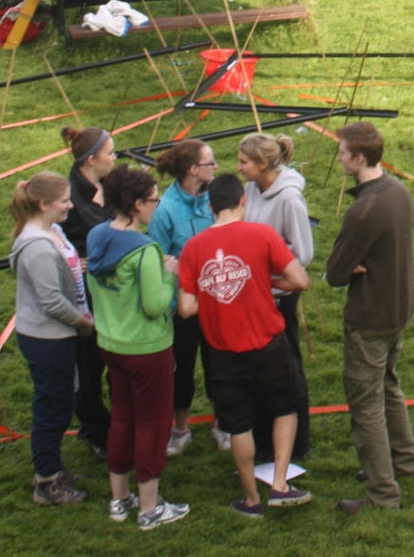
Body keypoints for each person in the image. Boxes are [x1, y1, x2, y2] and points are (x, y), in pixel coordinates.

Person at [177, 174, 313, 517]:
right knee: (285, 408)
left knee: (238, 425)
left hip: (223, 354)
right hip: (269, 345)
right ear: (243, 201)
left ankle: (251, 500)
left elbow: (186, 308)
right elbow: (300, 280)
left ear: (210, 206)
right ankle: (280, 484)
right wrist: (263, 282)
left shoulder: (193, 248)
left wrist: (214, 291)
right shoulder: (262, 234)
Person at [324, 122, 414, 515]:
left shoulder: (362, 211)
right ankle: (405, 462)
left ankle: (383, 494)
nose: (339, 158)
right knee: (388, 387)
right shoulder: (398, 191)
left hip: (369, 320)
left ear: (359, 157)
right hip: (398, 309)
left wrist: (350, 265)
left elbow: (334, 274)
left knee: (366, 406)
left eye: (342, 153)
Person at [87, 164, 189, 531]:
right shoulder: (146, 250)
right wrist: (170, 275)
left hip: (110, 343)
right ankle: (149, 508)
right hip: (146, 348)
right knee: (152, 425)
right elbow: (154, 305)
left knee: (122, 418)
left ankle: (120, 499)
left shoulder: (97, 235)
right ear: (136, 204)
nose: (156, 207)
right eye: (152, 200)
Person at [8, 172, 92, 505]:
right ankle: (46, 483)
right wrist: (82, 324)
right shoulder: (39, 248)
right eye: (64, 201)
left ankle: (52, 465)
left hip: (53, 336)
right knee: (52, 409)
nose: (70, 206)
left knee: (60, 402)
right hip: (48, 338)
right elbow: (52, 301)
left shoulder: (51, 231)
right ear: (43, 204)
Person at [239, 133, 314, 460]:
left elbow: (303, 253)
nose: (239, 167)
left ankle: (297, 444)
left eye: (243, 162)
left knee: (287, 369)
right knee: (258, 369)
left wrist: (268, 275)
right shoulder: (250, 189)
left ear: (262, 164)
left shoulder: (289, 199)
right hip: (255, 296)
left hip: (280, 298)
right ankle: (265, 440)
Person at [149, 139, 222, 456]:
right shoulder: (164, 211)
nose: (215, 167)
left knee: (219, 364)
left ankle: (222, 422)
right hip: (182, 308)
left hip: (217, 301)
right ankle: (180, 429)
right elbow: (159, 261)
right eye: (210, 162)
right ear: (193, 169)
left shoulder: (214, 199)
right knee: (182, 369)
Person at [58, 125, 116, 461]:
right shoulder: (68, 197)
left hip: (113, 290)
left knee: (116, 359)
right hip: (85, 296)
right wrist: (73, 261)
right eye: (110, 153)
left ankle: (120, 423)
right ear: (91, 160)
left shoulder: (109, 183)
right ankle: (97, 429)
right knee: (89, 366)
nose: (115, 158)